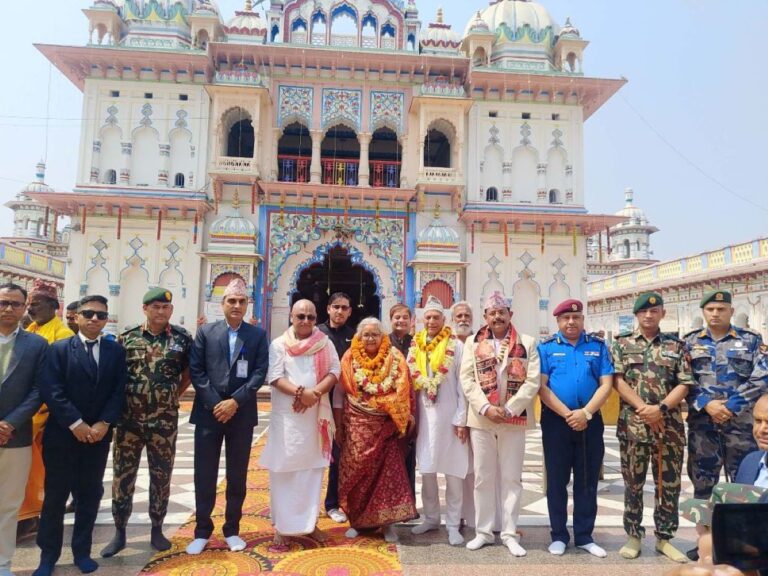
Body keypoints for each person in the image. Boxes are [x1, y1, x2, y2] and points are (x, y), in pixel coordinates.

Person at [34, 295, 127, 576]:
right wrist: (76, 423)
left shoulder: (114, 351)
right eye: (88, 314)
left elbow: (119, 390)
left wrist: (104, 423)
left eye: (101, 315)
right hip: (63, 435)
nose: (95, 319)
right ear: (76, 317)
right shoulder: (59, 349)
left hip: (97, 437)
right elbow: (52, 390)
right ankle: (48, 555)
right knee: (55, 496)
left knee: (89, 494)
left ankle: (82, 551)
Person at [101, 288, 192, 557]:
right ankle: (119, 531)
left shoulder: (181, 339)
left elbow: (187, 372)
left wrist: (171, 396)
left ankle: (157, 528)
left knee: (161, 476)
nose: (160, 312)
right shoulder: (128, 338)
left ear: (171, 310)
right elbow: (116, 374)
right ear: (145, 309)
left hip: (164, 422)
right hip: (129, 421)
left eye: (165, 307)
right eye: (155, 307)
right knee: (123, 476)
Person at [186, 278, 268, 555]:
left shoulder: (256, 336)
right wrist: (216, 404)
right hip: (208, 414)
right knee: (205, 473)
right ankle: (202, 531)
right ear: (222, 304)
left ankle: (232, 529)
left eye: (241, 301)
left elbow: (259, 372)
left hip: (241, 414)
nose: (236, 305)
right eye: (231, 301)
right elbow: (197, 371)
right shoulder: (206, 332)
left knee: (237, 475)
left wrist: (234, 402)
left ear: (247, 305)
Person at [611, 292, 692, 563]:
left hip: (668, 427)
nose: (649, 315)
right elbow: (617, 380)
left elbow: (684, 382)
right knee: (633, 484)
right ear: (636, 315)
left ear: (662, 314)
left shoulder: (676, 345)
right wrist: (645, 409)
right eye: (644, 311)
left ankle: (664, 538)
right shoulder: (622, 344)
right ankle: (634, 536)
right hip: (633, 427)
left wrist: (661, 409)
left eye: (654, 311)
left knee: (668, 485)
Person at [459, 291, 539, 557]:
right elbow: (467, 379)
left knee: (511, 478)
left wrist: (509, 409)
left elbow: (532, 382)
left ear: (510, 314)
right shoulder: (473, 343)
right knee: (483, 477)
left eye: (501, 312)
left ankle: (509, 533)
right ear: (485, 317)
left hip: (513, 419)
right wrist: (485, 407)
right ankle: (483, 532)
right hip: (482, 419)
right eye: (492, 313)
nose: (497, 317)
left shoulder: (526, 343)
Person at [259, 300, 339, 548]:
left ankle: (308, 524)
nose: (305, 321)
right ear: (291, 317)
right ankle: (282, 527)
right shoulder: (279, 344)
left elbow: (335, 371)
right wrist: (301, 394)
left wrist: (313, 394)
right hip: (288, 419)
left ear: (316, 318)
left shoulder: (324, 343)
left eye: (310, 317)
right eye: (300, 316)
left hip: (315, 418)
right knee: (284, 471)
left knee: (312, 472)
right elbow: (274, 376)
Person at [538, 298, 614, 558]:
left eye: (576, 317)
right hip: (556, 422)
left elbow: (606, 384)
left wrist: (586, 413)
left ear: (582, 320)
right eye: (566, 318)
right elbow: (541, 387)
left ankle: (584, 536)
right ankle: (559, 535)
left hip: (589, 422)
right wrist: (568, 414)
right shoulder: (546, 348)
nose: (571, 322)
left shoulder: (597, 347)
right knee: (556, 481)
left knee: (587, 480)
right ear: (558, 321)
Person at [335, 317, 416, 542]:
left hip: (386, 425)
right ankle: (358, 523)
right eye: (366, 334)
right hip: (356, 425)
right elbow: (340, 393)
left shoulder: (395, 356)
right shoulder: (349, 357)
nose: (370, 338)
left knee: (387, 475)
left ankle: (387, 524)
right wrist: (338, 424)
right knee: (358, 476)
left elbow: (403, 389)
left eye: (375, 334)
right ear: (359, 337)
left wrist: (391, 410)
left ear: (382, 337)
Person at [685, 290, 763, 499]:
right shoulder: (689, 342)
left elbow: (762, 376)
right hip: (703, 427)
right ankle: (705, 522)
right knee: (702, 487)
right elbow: (684, 379)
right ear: (703, 312)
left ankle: (740, 522)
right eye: (710, 309)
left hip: (741, 427)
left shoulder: (751, 340)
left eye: (721, 309)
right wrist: (706, 403)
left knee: (744, 487)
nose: (715, 313)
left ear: (732, 311)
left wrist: (732, 405)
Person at [407, 296, 468, 546]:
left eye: (436, 317)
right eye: (428, 317)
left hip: (451, 418)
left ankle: (453, 525)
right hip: (426, 419)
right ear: (423, 320)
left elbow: (463, 385)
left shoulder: (456, 345)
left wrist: (461, 418)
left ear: (444, 320)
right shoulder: (416, 345)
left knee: (453, 473)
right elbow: (410, 382)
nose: (431, 321)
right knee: (428, 471)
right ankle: (431, 518)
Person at [19, 280, 75, 534]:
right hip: (24, 412)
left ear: (54, 306)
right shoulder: (30, 329)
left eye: (37, 304)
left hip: (44, 416)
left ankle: (31, 517)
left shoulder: (62, 336)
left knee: (39, 470)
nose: (31, 309)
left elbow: (59, 382)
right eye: (29, 305)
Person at [0, 283, 48, 576]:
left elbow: (39, 390)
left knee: (8, 504)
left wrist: (9, 423)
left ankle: (2, 562)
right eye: (3, 303)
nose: (8, 309)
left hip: (15, 436)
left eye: (16, 304)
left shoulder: (36, 345)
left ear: (24, 308)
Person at [318, 292, 355, 524]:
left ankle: (333, 503)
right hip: (318, 399)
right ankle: (307, 503)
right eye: (336, 307)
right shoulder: (317, 333)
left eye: (344, 308)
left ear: (350, 311)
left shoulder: (355, 336)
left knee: (339, 454)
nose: (340, 311)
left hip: (344, 404)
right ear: (328, 309)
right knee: (312, 453)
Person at [388, 303, 417, 500]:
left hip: (412, 405)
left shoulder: (417, 343)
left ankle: (409, 502)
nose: (401, 321)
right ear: (390, 320)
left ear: (411, 320)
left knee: (409, 453)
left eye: (405, 317)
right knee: (389, 456)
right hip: (389, 407)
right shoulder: (383, 343)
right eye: (397, 317)